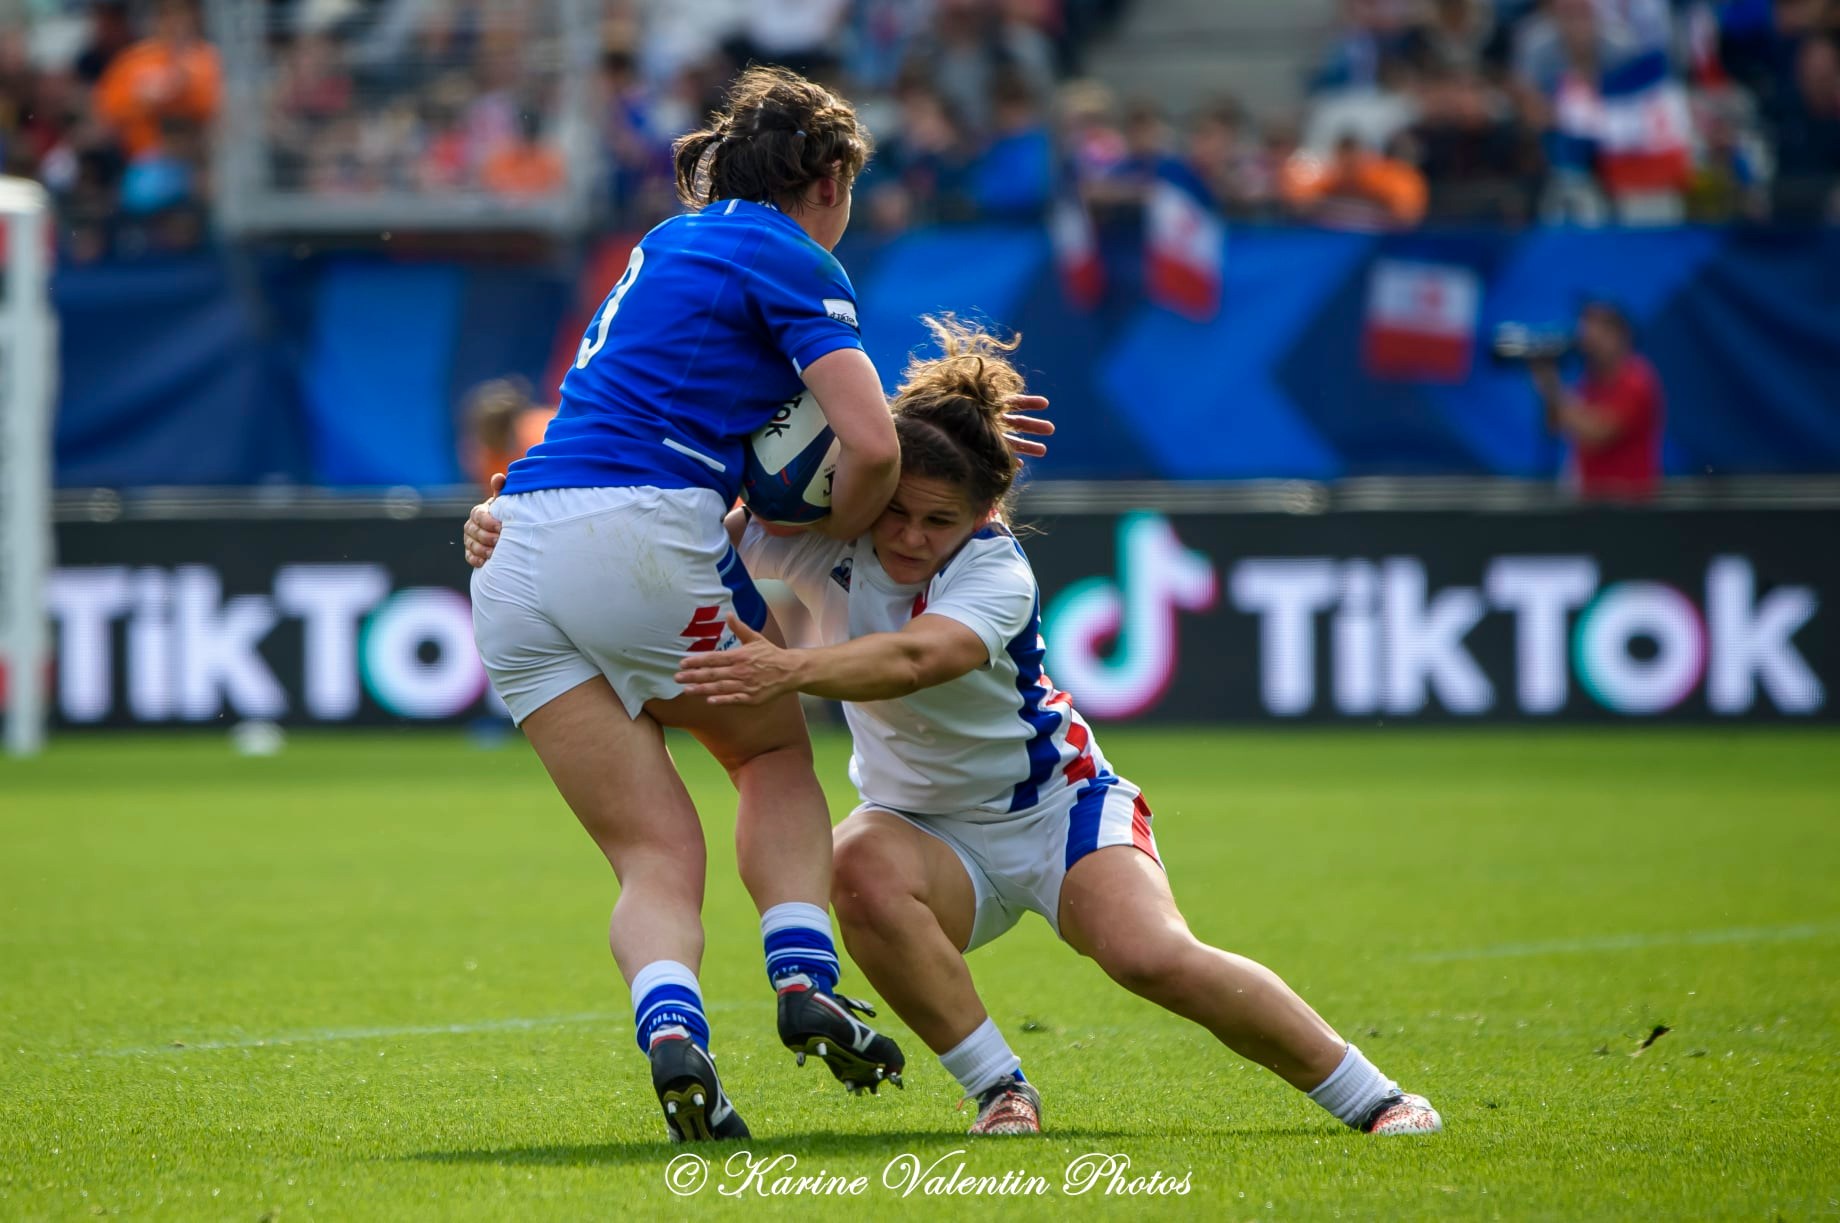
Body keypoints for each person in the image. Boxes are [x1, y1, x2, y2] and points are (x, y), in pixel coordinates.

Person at [466, 318, 1443, 1140]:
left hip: (1056, 807)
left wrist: (788, 666)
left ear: (985, 513)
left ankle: (1374, 1094)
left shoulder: (995, 571)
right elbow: (654, 522)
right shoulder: (825, 530)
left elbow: (918, 659)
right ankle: (1001, 1089)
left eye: (940, 519)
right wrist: (506, 521)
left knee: (1151, 955)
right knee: (852, 864)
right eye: (898, 510)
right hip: (923, 826)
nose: (907, 536)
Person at [466, 65, 911, 1145]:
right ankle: (805, 979)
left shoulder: (664, 244)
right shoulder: (793, 254)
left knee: (655, 856)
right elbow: (872, 444)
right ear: (829, 178)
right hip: (642, 525)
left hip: (511, 547)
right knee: (767, 755)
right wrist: (830, 526)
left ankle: (672, 1032)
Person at [1531, 299, 1664, 501]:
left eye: (1602, 327)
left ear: (1623, 334)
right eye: (1587, 324)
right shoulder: (1589, 383)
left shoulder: (1636, 381)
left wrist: (1553, 389)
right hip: (1591, 502)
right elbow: (1554, 424)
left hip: (1629, 506)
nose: (1591, 335)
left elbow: (1598, 434)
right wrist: (1546, 376)